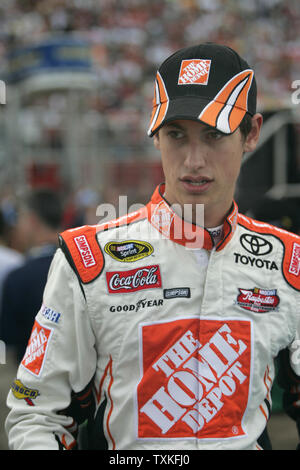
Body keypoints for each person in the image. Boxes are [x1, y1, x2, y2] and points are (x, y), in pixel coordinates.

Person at [5, 43, 300, 451]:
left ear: (251, 134)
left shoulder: (290, 262)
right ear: (156, 137)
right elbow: (36, 414)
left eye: (214, 135)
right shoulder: (87, 260)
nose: (194, 160)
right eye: (177, 135)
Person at [0, 189, 63, 363]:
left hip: (31, 380)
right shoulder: (84, 268)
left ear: (32, 220)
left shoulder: (18, 278)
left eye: (20, 219)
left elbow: (8, 341)